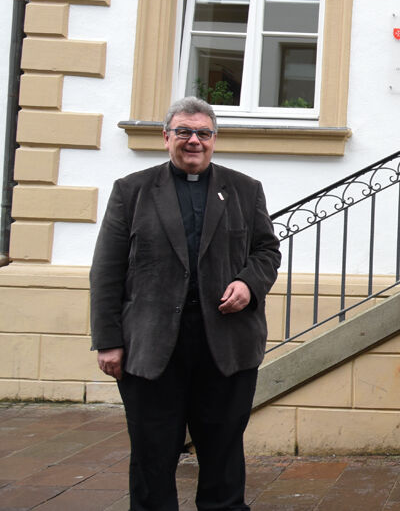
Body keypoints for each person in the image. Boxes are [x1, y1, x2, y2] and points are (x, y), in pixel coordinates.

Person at [90, 96, 281, 510]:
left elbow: (267, 252)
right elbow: (106, 270)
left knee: (224, 453)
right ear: (166, 137)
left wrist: (249, 284)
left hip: (225, 345)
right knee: (151, 455)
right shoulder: (132, 191)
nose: (194, 140)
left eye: (203, 133)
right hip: (152, 347)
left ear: (215, 140)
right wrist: (108, 340)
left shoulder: (246, 190)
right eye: (184, 132)